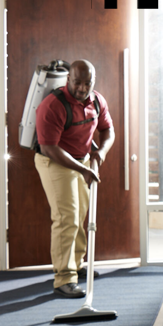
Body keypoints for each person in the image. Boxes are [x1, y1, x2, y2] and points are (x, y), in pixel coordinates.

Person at [34, 59, 115, 297]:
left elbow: (108, 130)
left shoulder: (97, 101)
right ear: (68, 79)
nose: (82, 88)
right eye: (77, 82)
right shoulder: (53, 106)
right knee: (66, 216)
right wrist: (83, 170)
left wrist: (100, 152)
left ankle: (76, 266)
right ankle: (63, 278)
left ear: (93, 81)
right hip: (54, 161)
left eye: (87, 83)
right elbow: (49, 148)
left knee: (79, 214)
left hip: (81, 161)